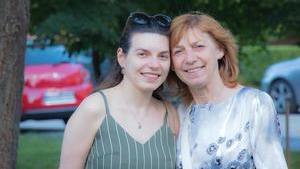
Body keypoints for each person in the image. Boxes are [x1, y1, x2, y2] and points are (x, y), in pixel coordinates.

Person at [168, 12, 288, 169]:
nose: (189, 59)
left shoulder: (254, 104)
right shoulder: (178, 114)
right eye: (178, 51)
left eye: (199, 46)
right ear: (171, 63)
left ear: (220, 50)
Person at [59, 12, 179, 169]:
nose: (154, 64)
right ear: (122, 57)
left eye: (163, 56)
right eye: (143, 54)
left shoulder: (170, 115)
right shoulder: (94, 108)